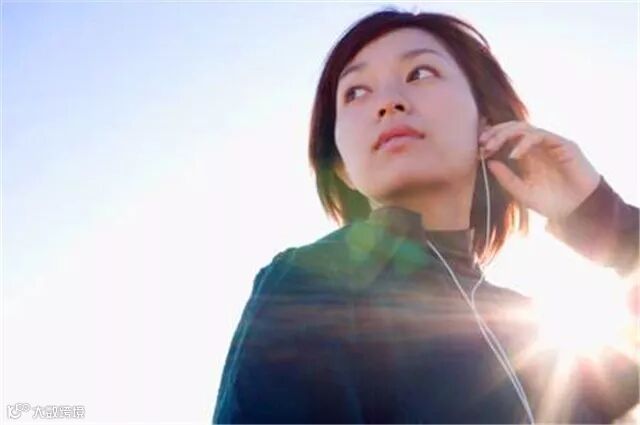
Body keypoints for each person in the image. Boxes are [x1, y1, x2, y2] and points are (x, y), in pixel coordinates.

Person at [212, 8, 639, 424]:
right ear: (342, 167)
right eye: (355, 92)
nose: (388, 103)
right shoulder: (312, 281)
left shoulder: (545, 342)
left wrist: (599, 212)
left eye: (420, 73)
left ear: (485, 120)